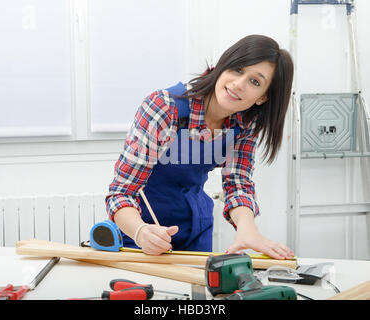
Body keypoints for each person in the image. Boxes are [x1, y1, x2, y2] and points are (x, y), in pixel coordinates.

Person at [106, 34, 294, 259]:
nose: (238, 84)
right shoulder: (165, 108)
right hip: (140, 230)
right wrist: (141, 231)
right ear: (223, 66)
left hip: (196, 230)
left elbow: (238, 183)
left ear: (263, 97)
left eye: (255, 82)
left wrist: (247, 230)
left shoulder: (245, 124)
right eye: (238, 69)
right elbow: (121, 192)